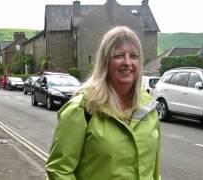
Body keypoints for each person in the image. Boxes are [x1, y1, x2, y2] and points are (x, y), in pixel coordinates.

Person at [45, 26, 161, 180]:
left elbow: (154, 171)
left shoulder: (149, 108)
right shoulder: (83, 108)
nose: (127, 62)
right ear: (105, 62)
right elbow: (58, 170)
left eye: (134, 56)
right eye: (119, 55)